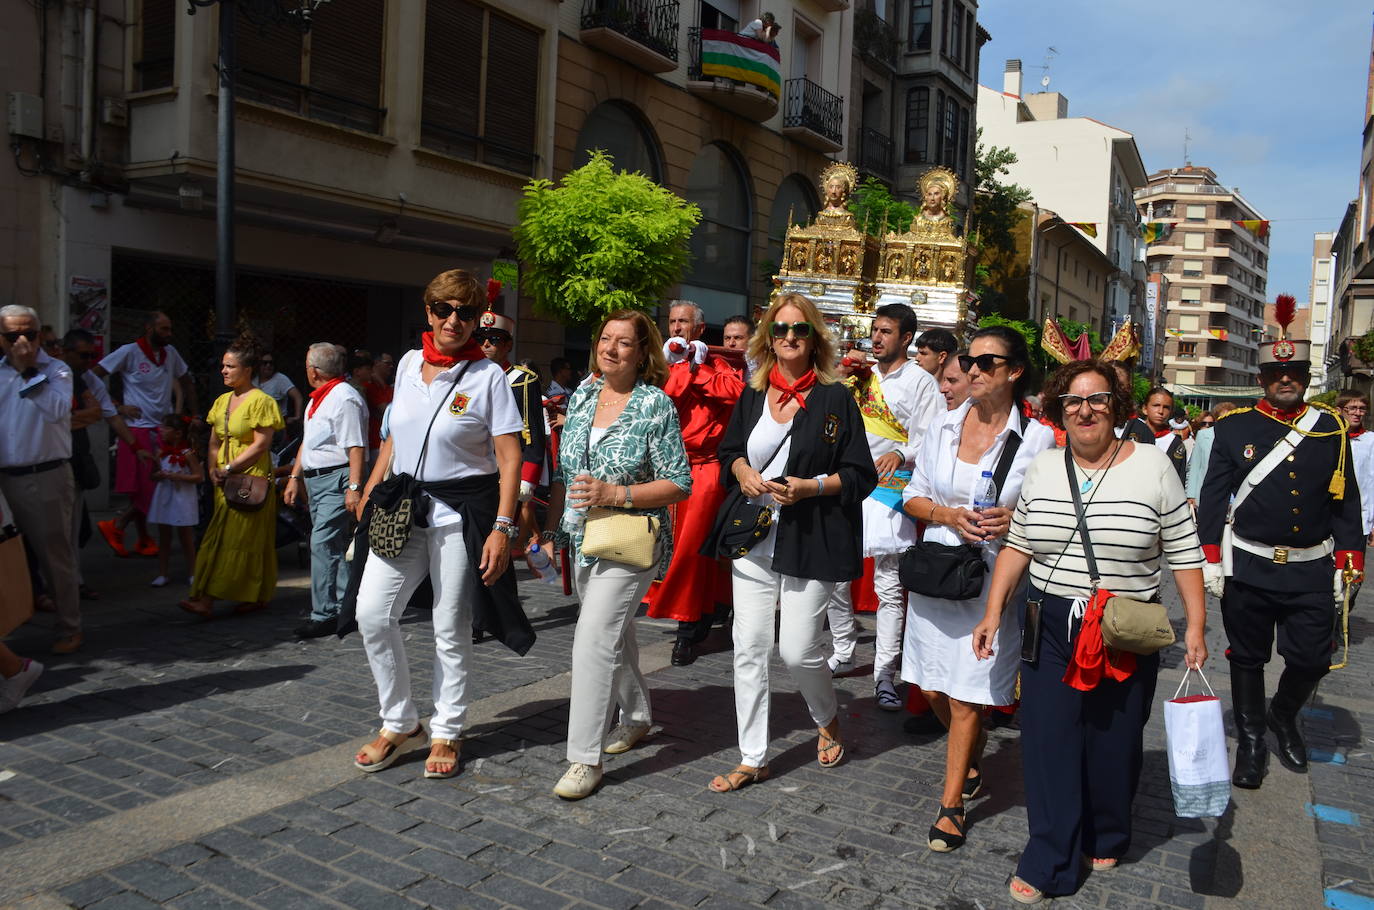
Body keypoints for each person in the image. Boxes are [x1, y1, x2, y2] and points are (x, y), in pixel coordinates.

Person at [973, 358, 1208, 903]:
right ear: (1060, 410)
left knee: (1114, 743)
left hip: (1126, 625)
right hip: (1050, 622)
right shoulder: (1044, 467)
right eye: (1073, 401)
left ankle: (1108, 829)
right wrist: (993, 610)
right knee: (1048, 741)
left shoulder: (1153, 465)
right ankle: (1050, 858)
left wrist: (1195, 625)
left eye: (1097, 399)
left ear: (1116, 407)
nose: (1085, 410)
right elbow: (1019, 544)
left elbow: (1184, 551)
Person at [352, 269, 525, 781]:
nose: (454, 320)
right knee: (373, 615)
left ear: (477, 320)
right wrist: (370, 486)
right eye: (445, 309)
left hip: (460, 516)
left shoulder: (488, 377)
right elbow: (391, 439)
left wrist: (502, 527)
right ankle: (400, 720)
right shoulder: (407, 365)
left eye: (466, 313)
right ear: (428, 311)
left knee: (450, 626)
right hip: (403, 510)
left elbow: (509, 460)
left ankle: (447, 728)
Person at [702, 293, 877, 792]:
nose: (790, 338)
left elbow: (859, 473)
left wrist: (811, 486)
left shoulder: (835, 396)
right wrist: (743, 472)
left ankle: (827, 716)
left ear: (814, 338)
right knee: (749, 647)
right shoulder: (756, 392)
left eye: (800, 330)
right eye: (780, 330)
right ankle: (752, 755)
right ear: (768, 338)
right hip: (755, 534)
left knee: (798, 650)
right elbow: (730, 450)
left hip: (812, 536)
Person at [900, 326, 1055, 852]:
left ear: (1014, 372)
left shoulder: (1037, 440)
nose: (975, 370)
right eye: (971, 360)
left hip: (991, 577)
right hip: (936, 573)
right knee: (930, 687)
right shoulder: (942, 425)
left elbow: (1048, 513)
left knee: (967, 696)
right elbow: (913, 496)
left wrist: (1016, 518)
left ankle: (951, 805)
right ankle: (973, 747)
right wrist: (946, 513)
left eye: (989, 363)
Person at [1197, 338, 1364, 790]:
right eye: (1275, 374)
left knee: (1312, 658)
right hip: (1250, 563)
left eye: (1293, 373)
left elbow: (1345, 500)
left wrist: (1350, 559)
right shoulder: (1234, 429)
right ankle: (1252, 740)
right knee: (1247, 657)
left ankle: (1283, 716)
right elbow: (1213, 495)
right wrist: (1210, 557)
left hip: (1311, 566)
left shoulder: (1330, 428)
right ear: (1261, 380)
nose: (1284, 379)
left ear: (1307, 379)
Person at [540, 309, 691, 800]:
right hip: (584, 536)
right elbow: (566, 473)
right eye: (605, 339)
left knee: (591, 641)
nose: (611, 349)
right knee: (613, 633)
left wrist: (615, 493)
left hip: (630, 539)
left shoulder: (655, 405)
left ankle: (585, 759)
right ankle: (640, 717)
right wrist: (551, 529)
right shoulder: (582, 395)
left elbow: (679, 483)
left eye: (624, 343)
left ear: (642, 352)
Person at [825, 304, 943, 710]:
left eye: (886, 332)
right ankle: (843, 649)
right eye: (874, 331)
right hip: (849, 482)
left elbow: (931, 438)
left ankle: (884, 673)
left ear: (906, 338)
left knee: (889, 587)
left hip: (891, 488)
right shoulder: (860, 376)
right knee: (836, 577)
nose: (877, 339)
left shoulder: (920, 382)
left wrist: (901, 453)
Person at [646, 301, 744, 666]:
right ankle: (700, 611)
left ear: (699, 330)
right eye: (671, 322)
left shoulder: (717, 362)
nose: (676, 328)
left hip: (703, 468)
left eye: (683, 322)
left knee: (691, 550)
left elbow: (734, 394)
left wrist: (695, 367)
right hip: (665, 467)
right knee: (662, 549)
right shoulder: (660, 364)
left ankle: (687, 629)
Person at [179, 336, 284, 618]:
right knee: (222, 537)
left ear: (247, 370)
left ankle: (208, 599)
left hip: (249, 480)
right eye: (223, 366)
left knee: (241, 541)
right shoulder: (223, 401)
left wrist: (229, 468)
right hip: (224, 480)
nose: (224, 371)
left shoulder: (261, 401)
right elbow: (214, 441)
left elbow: (261, 444)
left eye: (230, 366)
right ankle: (254, 595)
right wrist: (214, 468)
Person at [0, 305, 81, 654]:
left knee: (54, 557)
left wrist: (28, 371)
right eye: (13, 336)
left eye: (30, 334)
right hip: (5, 477)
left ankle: (70, 626)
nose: (23, 342)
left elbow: (57, 411)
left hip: (44, 476)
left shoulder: (57, 370)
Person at [93, 311, 195, 558]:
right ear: (149, 329)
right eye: (164, 329)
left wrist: (194, 414)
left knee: (149, 487)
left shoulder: (170, 353)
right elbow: (94, 376)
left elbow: (186, 380)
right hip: (136, 430)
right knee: (148, 488)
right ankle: (117, 526)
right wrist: (117, 406)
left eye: (170, 329)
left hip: (163, 430)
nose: (169, 334)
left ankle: (143, 538)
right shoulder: (129, 351)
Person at [283, 343, 368, 639]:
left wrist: (354, 488)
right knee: (330, 544)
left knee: (321, 543)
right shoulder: (317, 400)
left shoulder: (344, 397)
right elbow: (309, 441)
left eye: (307, 364)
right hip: (316, 480)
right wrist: (295, 476)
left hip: (336, 479)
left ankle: (324, 614)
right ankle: (347, 606)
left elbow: (356, 445)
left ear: (314, 371)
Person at [59, 328, 143, 601]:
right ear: (66, 351)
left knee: (74, 528)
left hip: (73, 460)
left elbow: (107, 415)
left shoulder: (89, 381)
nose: (89, 361)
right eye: (84, 355)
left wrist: (136, 447)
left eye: (93, 355)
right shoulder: (53, 376)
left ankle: (71, 581)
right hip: (47, 462)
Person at [475, 307, 547, 548]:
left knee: (497, 538)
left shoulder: (522, 379)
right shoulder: (468, 376)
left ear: (508, 345)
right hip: (472, 469)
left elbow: (532, 432)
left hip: (504, 469)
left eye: (494, 340)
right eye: (481, 339)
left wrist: (528, 477)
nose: (486, 345)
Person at [148, 415, 202, 587]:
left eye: (165, 429)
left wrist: (177, 476)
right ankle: (163, 573)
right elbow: (153, 475)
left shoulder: (187, 454)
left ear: (178, 433)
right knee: (164, 535)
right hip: (165, 495)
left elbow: (199, 476)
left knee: (185, 536)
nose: (161, 432)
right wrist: (159, 475)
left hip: (182, 497)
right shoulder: (161, 452)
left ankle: (193, 573)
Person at [1337, 391, 1374, 544]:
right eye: (1352, 408)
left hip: (1359, 518)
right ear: (1339, 410)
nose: (1357, 413)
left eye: (1362, 409)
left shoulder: (1370, 440)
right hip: (1327, 520)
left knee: (1353, 566)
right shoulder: (1329, 439)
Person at [1184, 401, 1236, 507]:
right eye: (1222, 418)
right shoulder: (1203, 435)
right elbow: (1195, 466)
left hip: (1230, 493)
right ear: (1216, 419)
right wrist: (1191, 494)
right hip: (1205, 490)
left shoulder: (1238, 437)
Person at [1140, 387, 1187, 483]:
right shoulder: (1131, 435)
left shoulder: (1175, 444)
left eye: (1166, 407)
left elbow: (1177, 481)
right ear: (1145, 409)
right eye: (1156, 405)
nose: (1161, 411)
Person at [254, 352, 303, 436]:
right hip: (255, 423)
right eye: (264, 363)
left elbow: (298, 397)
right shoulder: (253, 378)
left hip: (275, 425)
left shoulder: (280, 379)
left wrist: (297, 417)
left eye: (271, 363)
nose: (268, 365)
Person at [1110, 363, 1153, 444]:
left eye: (1120, 385)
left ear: (1129, 388)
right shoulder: (1087, 425)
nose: (1115, 391)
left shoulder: (1142, 431)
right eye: (1110, 384)